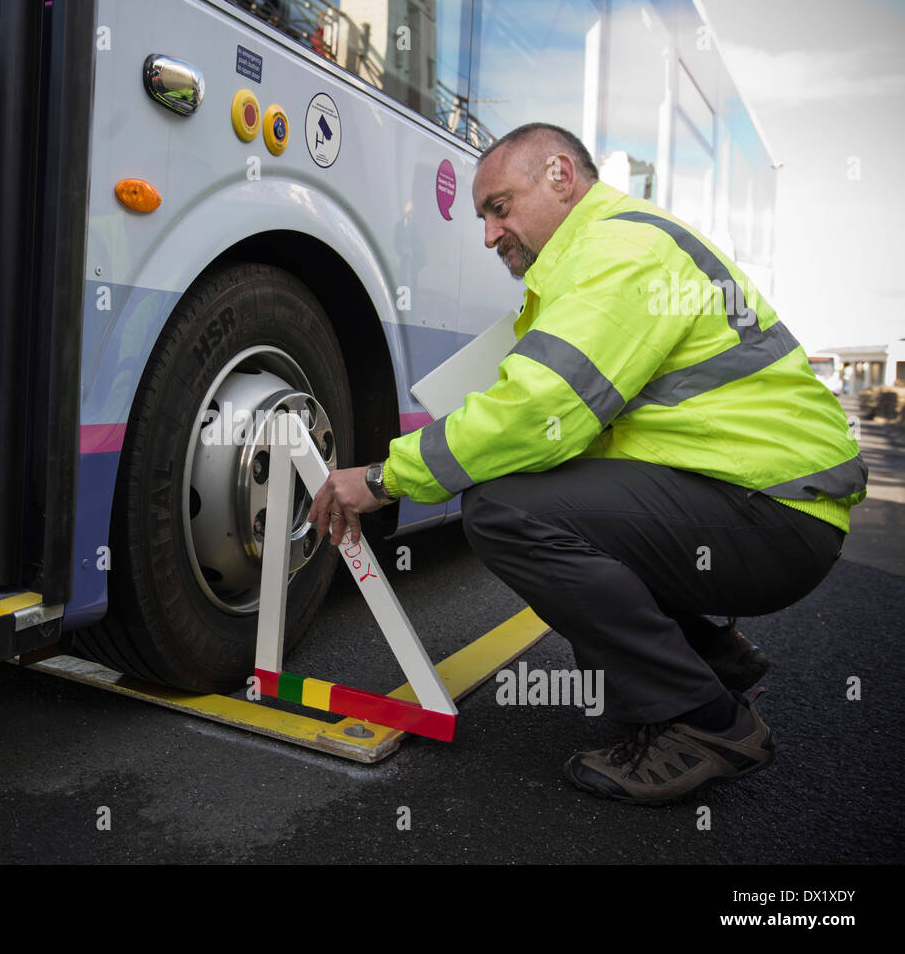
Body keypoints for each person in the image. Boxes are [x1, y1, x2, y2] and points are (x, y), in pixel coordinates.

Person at [308, 122, 867, 805]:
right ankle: (708, 658)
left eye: (499, 208)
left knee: (504, 512)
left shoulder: (621, 250)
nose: (489, 235)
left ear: (561, 177)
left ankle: (706, 721)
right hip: (763, 501)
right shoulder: (608, 250)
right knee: (556, 513)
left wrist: (381, 478)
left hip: (774, 512)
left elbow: (544, 411)